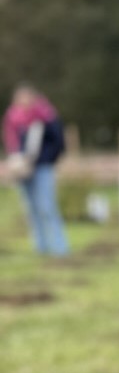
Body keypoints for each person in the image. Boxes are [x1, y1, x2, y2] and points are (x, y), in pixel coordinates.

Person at [3, 84, 70, 256]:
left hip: (42, 167)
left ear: (33, 99)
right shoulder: (13, 119)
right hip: (22, 170)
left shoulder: (47, 117)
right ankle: (40, 247)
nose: (23, 103)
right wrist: (16, 161)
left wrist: (43, 159)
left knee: (47, 207)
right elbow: (12, 144)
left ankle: (60, 248)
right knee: (31, 208)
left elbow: (58, 143)